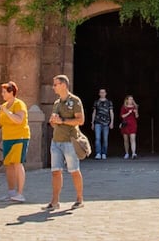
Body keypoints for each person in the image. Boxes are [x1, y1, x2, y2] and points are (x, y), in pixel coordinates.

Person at [45, 75, 86, 211]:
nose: (53, 87)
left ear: (63, 85)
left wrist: (62, 120)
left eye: (55, 84)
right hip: (56, 141)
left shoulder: (75, 101)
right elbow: (54, 122)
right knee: (55, 172)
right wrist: (53, 121)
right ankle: (54, 201)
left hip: (70, 140)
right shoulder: (56, 103)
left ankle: (79, 198)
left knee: (74, 170)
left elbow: (80, 121)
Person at [0, 81, 29, 203]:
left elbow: (19, 119)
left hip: (20, 136)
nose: (2, 94)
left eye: (4, 92)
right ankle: (11, 192)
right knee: (9, 165)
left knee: (18, 164)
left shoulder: (19, 104)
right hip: (7, 137)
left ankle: (20, 193)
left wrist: (6, 111)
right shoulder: (4, 106)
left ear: (11, 92)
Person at [91, 89, 115, 160]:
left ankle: (104, 153)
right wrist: (92, 123)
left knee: (105, 139)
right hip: (97, 122)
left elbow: (111, 112)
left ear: (105, 93)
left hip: (106, 123)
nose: (102, 93)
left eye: (103, 92)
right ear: (99, 94)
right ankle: (98, 153)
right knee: (97, 138)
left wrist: (112, 122)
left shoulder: (109, 102)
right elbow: (94, 112)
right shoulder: (96, 102)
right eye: (101, 92)